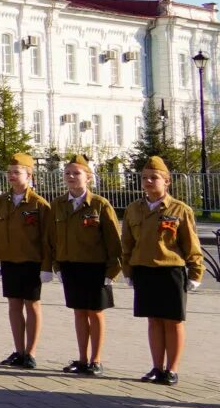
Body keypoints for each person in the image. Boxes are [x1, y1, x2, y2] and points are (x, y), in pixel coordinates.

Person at [121, 156, 204, 386]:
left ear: (167, 181)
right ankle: (157, 367)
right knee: (154, 321)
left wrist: (195, 273)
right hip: (144, 271)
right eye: (144, 178)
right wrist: (127, 270)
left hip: (170, 271)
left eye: (154, 178)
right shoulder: (134, 209)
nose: (148, 182)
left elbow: (191, 244)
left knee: (173, 321)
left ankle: (172, 369)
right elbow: (127, 243)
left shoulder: (179, 210)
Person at [50, 153, 121, 376]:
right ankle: (82, 358)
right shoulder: (59, 204)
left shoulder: (99, 205)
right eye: (68, 173)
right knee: (79, 313)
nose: (71, 177)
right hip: (71, 266)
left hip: (96, 267)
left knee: (95, 313)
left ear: (88, 177)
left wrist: (113, 271)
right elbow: (52, 238)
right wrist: (57, 265)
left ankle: (96, 359)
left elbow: (113, 240)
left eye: (76, 173)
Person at [0, 152, 52, 370]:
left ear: (29, 175)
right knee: (14, 305)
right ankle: (18, 350)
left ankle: (31, 352)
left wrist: (47, 266)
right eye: (10, 172)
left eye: (17, 172)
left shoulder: (39, 204)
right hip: (9, 260)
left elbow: (47, 238)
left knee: (32, 305)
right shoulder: (1, 202)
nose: (12, 176)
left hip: (31, 261)